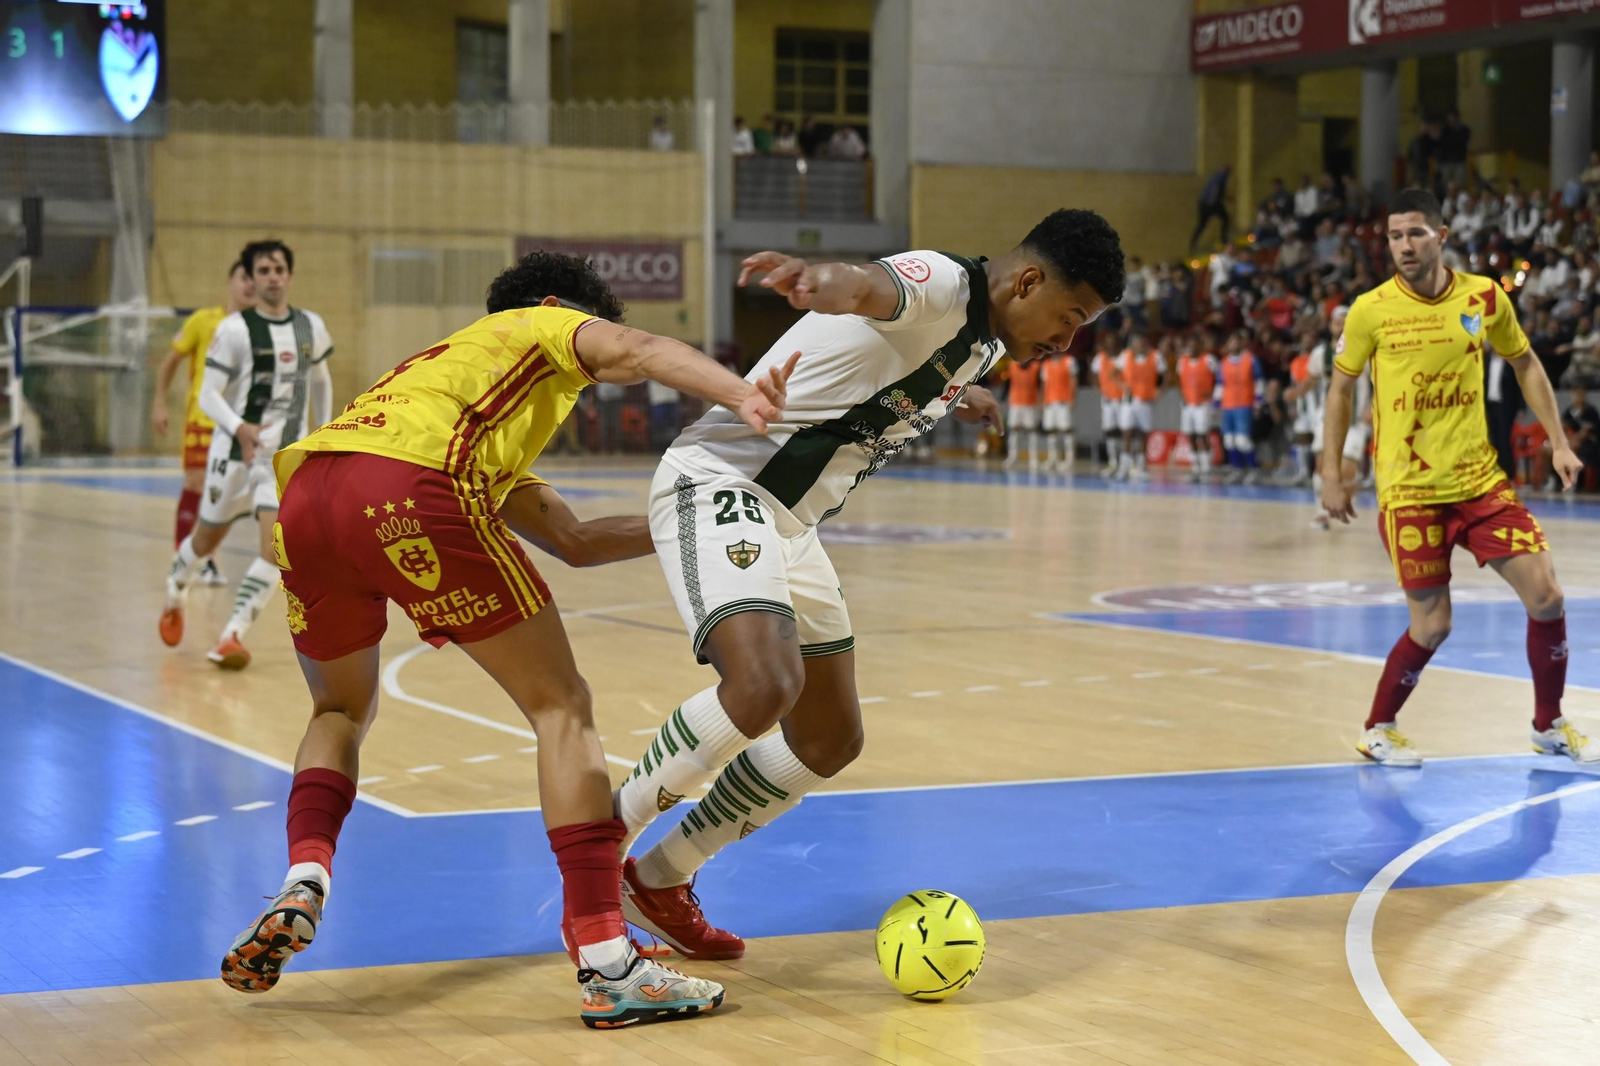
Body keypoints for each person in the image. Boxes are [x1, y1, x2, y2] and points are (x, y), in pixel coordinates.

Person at [219, 250, 798, 1026]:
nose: (591, 358)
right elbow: (639, 352)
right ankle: (606, 962)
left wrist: (694, 518)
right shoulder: (542, 323)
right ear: (561, 307)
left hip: (311, 496)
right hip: (407, 487)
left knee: (339, 712)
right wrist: (742, 391)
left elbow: (577, 539)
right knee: (562, 706)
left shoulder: (452, 384)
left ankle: (305, 879)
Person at [609, 211, 1123, 960]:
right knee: (762, 685)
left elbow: (906, 368)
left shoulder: (982, 338)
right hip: (723, 483)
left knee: (828, 736)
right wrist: (823, 280)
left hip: (791, 523)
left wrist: (962, 396)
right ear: (1029, 281)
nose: (1065, 340)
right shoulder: (945, 283)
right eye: (1069, 318)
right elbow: (872, 288)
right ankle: (595, 849)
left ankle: (657, 880)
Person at [1320, 188, 1595, 767]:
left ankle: (1548, 723)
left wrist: (1559, 442)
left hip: (1480, 483)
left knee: (1546, 596)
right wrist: (1332, 469)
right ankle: (1378, 729)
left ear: (1442, 236)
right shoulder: (1371, 309)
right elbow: (1341, 387)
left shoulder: (1484, 297)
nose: (1404, 245)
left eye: (1415, 233)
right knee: (1434, 623)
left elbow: (1524, 361)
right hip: (1411, 492)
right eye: (1395, 236)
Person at [159, 241, 332, 670]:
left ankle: (231, 635)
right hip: (233, 454)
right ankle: (175, 590)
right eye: (264, 270)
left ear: (289, 275)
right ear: (251, 279)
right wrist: (241, 428)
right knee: (205, 540)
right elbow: (207, 396)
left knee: (276, 548)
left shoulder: (311, 326)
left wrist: (323, 432)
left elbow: (322, 380)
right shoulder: (233, 329)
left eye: (278, 268)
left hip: (279, 459)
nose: (272, 276)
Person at [151, 260, 256, 588]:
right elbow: (169, 362)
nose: (251, 285)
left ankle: (208, 560)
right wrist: (159, 402)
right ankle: (178, 557)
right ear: (230, 281)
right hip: (203, 420)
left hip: (238, 424)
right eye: (244, 277)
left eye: (256, 278)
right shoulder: (203, 320)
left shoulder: (262, 329)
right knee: (196, 484)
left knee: (223, 493)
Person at [1115, 332, 1164, 481]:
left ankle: (1141, 467)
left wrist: (1160, 390)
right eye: (1136, 341)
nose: (1140, 344)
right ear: (1132, 343)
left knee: (1143, 434)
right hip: (1129, 401)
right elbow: (1113, 374)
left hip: (1145, 401)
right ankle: (1124, 467)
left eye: (1142, 341)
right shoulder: (1125, 356)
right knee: (1127, 433)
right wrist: (1122, 385)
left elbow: (1166, 376)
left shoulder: (1155, 357)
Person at [1219, 330, 1263, 483]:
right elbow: (1220, 383)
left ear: (1242, 343)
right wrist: (1216, 401)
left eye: (1236, 341)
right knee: (1229, 440)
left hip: (1244, 404)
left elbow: (1258, 382)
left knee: (1242, 440)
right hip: (1228, 405)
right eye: (1231, 341)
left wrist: (1258, 401)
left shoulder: (1250, 360)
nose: (1233, 344)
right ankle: (1237, 469)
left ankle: (1254, 469)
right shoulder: (1224, 362)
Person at [1176, 336, 1219, 482]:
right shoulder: (1182, 361)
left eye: (1195, 345)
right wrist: (1182, 395)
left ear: (1200, 346)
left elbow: (1219, 377)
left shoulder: (1209, 360)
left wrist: (1213, 392)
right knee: (1191, 435)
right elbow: (1179, 380)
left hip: (1203, 404)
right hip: (1188, 404)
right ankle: (1196, 467)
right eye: (1190, 345)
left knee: (1203, 434)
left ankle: (1206, 468)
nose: (1192, 348)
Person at [1091, 341, 1126, 475]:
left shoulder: (1124, 357)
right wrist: (1098, 388)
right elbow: (1093, 374)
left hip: (1122, 400)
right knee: (1110, 431)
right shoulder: (1100, 358)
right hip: (1107, 401)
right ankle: (1113, 462)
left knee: (1125, 431)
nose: (1111, 346)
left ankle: (1125, 463)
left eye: (1113, 343)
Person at [1003, 354, 1043, 470]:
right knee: (1014, 430)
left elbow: (1040, 385)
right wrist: (1002, 398)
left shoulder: (1036, 367)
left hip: (1031, 403)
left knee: (1032, 431)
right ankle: (1012, 457)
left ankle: (1033, 458)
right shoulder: (1012, 366)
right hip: (1015, 403)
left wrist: (1041, 401)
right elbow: (1008, 383)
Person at [1041, 351, 1077, 471]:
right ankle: (1053, 458)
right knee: (1051, 430)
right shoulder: (1046, 364)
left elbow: (1074, 381)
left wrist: (1073, 398)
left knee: (1066, 430)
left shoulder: (1069, 361)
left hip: (1064, 400)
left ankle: (1069, 459)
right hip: (1050, 401)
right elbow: (1044, 384)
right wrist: (1043, 400)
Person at [1561, 383, 1600, 483]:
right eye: (1575, 394)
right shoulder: (1568, 411)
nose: (1577, 396)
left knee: (1572, 448)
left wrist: (1570, 441)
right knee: (1549, 449)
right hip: (1571, 441)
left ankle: (1571, 480)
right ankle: (1553, 478)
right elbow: (1562, 428)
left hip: (1588, 443)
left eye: (1580, 394)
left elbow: (1584, 434)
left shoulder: (1590, 411)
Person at [1191, 165, 1231, 252]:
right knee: (1225, 219)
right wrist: (1212, 203)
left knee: (1202, 225)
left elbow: (1218, 192)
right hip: (1210, 204)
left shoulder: (1214, 176)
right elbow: (1215, 190)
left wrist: (1228, 198)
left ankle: (1193, 243)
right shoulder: (1221, 177)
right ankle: (1223, 239)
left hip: (1204, 203)